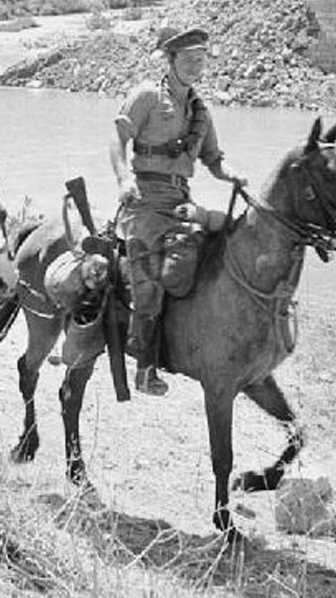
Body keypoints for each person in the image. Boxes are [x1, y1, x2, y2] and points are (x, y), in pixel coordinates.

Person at [109, 26, 246, 396]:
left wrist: (232, 176)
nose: (194, 67)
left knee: (227, 245)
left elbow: (214, 161)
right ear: (169, 61)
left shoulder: (201, 111)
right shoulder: (147, 96)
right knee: (156, 272)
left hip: (181, 200)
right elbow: (118, 139)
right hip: (145, 201)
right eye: (187, 60)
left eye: (200, 60)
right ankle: (145, 365)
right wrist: (124, 179)